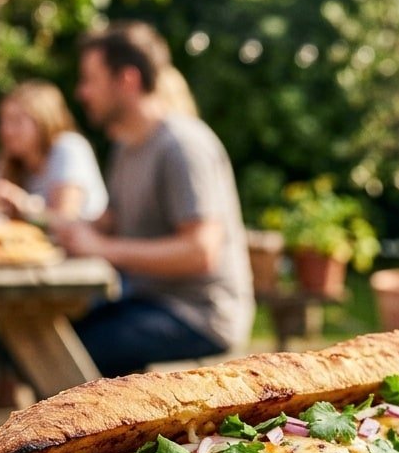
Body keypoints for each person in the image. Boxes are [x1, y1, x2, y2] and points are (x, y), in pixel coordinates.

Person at [53, 21, 254, 377]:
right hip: (149, 301)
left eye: (91, 80)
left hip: (200, 314)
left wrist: (100, 247)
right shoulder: (125, 145)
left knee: (68, 348)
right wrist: (64, 228)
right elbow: (115, 218)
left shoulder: (183, 145)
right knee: (54, 333)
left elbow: (200, 251)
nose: (82, 92)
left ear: (127, 80)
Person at [0, 79, 107, 224]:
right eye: (3, 121)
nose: (6, 130)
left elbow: (66, 220)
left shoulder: (68, 147)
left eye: (16, 121)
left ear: (43, 120)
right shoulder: (11, 160)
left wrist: (23, 204)